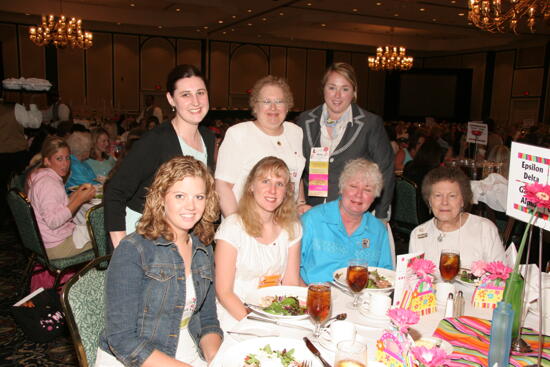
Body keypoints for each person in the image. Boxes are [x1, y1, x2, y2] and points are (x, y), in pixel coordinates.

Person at [96, 156, 222, 367]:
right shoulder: (134, 250)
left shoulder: (203, 248)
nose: (191, 206)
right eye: (180, 195)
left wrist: (217, 360)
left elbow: (208, 320)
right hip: (133, 358)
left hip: (184, 345)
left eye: (199, 197)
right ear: (162, 197)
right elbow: (121, 339)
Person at [104, 64, 216, 248]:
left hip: (179, 234)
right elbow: (115, 192)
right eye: (185, 94)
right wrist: (122, 250)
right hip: (144, 235)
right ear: (171, 99)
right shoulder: (155, 141)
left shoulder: (208, 138)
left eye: (200, 92)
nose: (196, 101)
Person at [296, 62, 394, 219]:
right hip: (312, 211)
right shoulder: (304, 120)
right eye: (332, 87)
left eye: (345, 89)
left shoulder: (370, 123)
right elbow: (296, 167)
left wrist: (381, 215)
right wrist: (299, 203)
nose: (337, 95)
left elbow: (386, 171)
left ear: (354, 92)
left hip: (354, 214)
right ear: (323, 89)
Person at [214, 156, 303, 328]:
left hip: (276, 313)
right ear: (251, 187)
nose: (272, 190)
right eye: (265, 181)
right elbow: (224, 292)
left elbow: (291, 283)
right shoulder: (232, 228)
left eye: (279, 184)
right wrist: (257, 324)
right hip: (236, 316)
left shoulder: (292, 228)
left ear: (287, 192)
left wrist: (285, 319)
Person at [215, 75, 305, 217]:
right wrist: (235, 225)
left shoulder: (296, 132)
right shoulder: (238, 134)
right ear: (255, 106)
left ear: (287, 106)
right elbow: (223, 186)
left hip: (286, 221)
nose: (273, 107)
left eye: (279, 101)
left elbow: (296, 174)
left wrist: (300, 203)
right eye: (266, 101)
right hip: (248, 222)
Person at [300, 158, 393, 284]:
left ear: (374, 197)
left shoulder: (378, 231)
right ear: (342, 188)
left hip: (361, 300)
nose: (359, 195)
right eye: (353, 186)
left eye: (367, 190)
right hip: (315, 297)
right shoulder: (313, 220)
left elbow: (385, 276)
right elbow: (290, 270)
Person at [409, 166, 505, 270]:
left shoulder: (485, 229)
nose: (444, 202)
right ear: (429, 201)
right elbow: (413, 280)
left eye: (452, 196)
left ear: (463, 200)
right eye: (438, 195)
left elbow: (500, 277)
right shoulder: (418, 235)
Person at [26, 136, 95, 259]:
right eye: (59, 159)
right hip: (56, 246)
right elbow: (53, 221)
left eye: (67, 158)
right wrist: (79, 200)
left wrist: (76, 195)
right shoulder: (49, 184)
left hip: (47, 240)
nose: (65, 164)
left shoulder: (44, 176)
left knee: (93, 229)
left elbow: (56, 207)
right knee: (103, 237)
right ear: (47, 161)